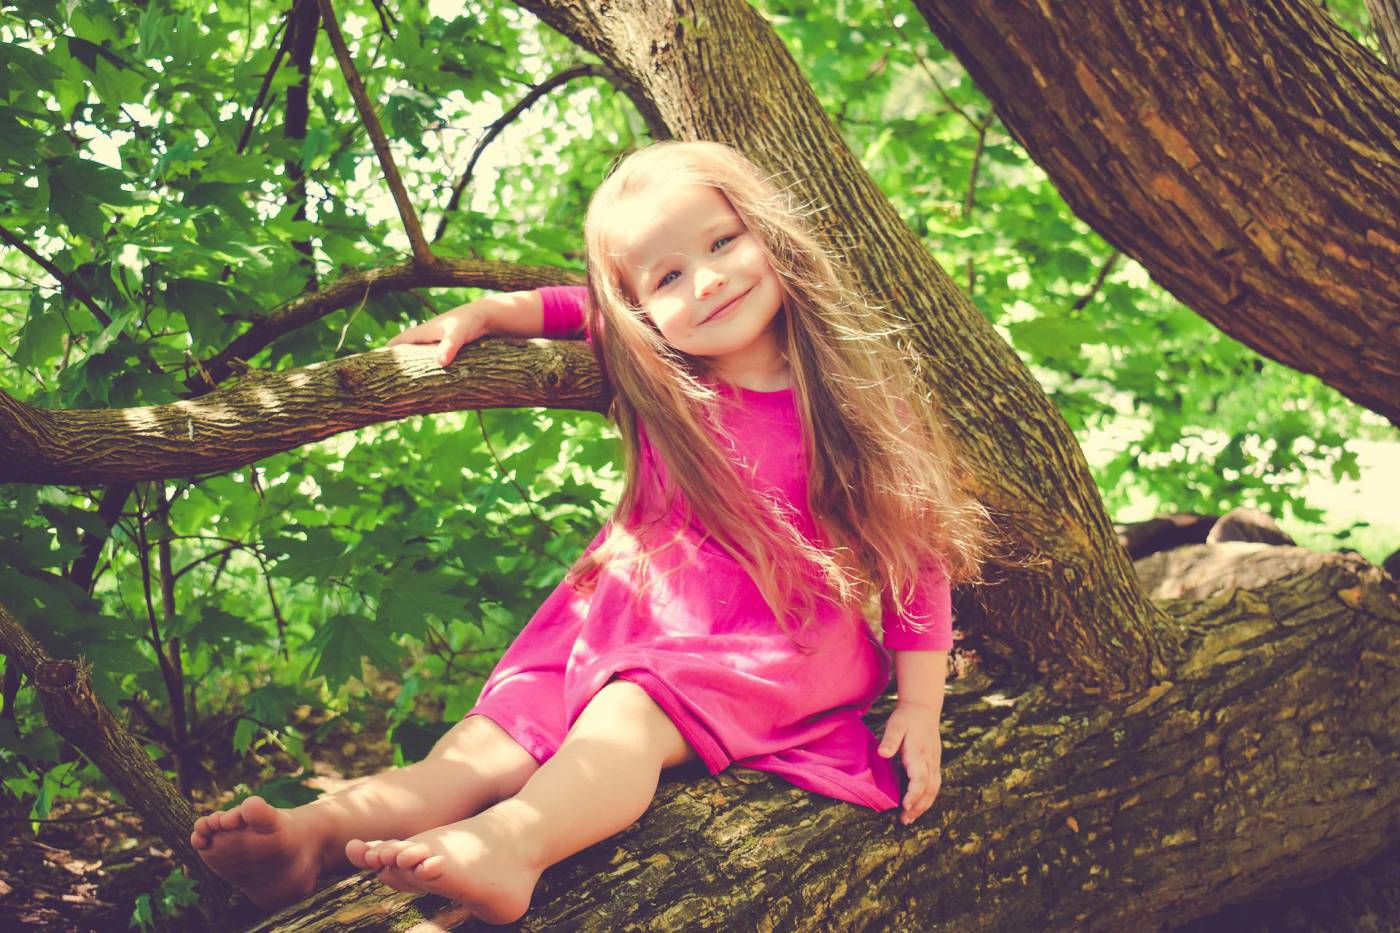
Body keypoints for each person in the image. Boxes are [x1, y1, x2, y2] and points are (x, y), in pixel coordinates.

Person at [189, 140, 995, 923]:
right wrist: (492, 311)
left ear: (769, 231)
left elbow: (910, 554)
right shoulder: (661, 374)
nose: (708, 280)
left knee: (628, 714)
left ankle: (516, 844)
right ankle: (316, 835)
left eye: (723, 242)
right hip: (618, 613)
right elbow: (580, 304)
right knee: (487, 740)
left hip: (775, 639)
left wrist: (920, 703)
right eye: (669, 275)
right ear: (641, 312)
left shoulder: (853, 398)